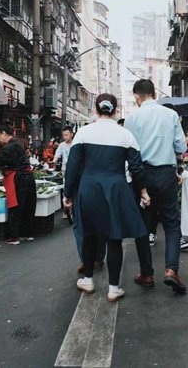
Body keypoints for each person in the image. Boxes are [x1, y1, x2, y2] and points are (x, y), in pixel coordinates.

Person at [63, 94, 151, 302]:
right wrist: (143, 191)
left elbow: (73, 168)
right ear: (115, 110)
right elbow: (137, 168)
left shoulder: (83, 133)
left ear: (96, 110)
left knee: (90, 235)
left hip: (89, 188)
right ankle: (113, 288)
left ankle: (88, 280)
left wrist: (68, 194)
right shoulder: (125, 135)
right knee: (114, 238)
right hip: (116, 188)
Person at [125, 79, 187, 294]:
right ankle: (171, 270)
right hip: (166, 173)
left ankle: (147, 274)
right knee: (171, 223)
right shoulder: (170, 115)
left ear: (137, 96)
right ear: (153, 93)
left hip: (141, 174)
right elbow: (181, 145)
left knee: (142, 224)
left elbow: (128, 150)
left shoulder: (132, 117)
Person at [0, 123, 36, 245]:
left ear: (3, 133)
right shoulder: (18, 144)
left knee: (16, 206)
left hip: (18, 178)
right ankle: (27, 233)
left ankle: (14, 236)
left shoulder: (9, 147)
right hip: (28, 177)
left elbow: (3, 161)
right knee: (28, 206)